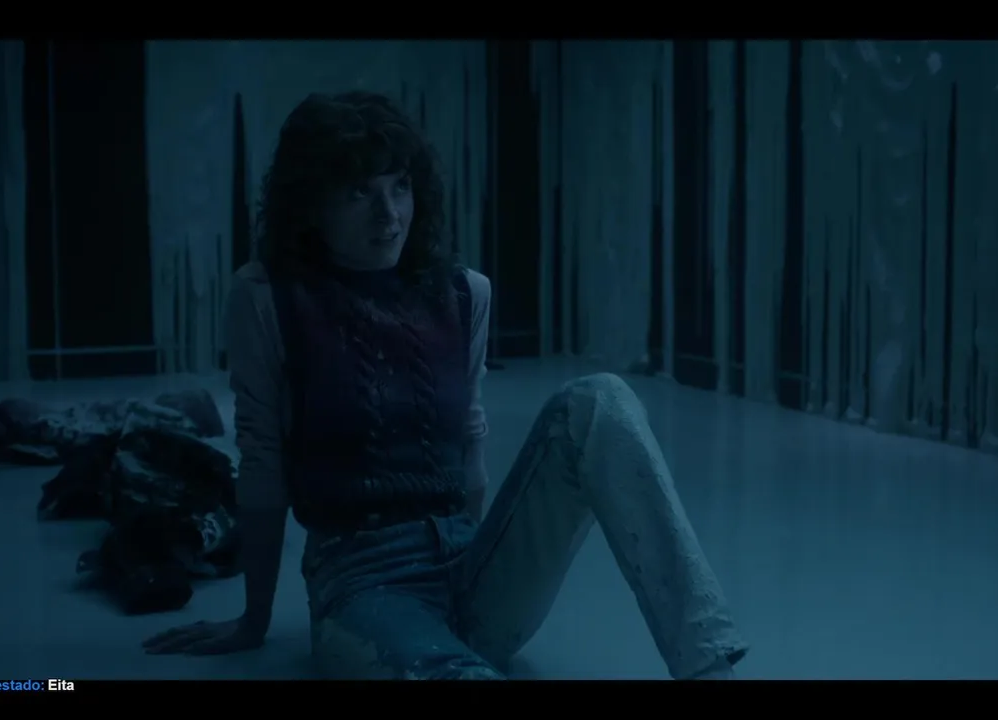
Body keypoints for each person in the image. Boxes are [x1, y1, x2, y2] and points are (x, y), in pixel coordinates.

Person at [142, 91, 747, 679]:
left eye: (400, 187)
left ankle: (708, 666)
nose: (389, 215)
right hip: (362, 584)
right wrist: (254, 620)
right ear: (311, 205)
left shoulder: (463, 292)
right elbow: (262, 461)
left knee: (599, 401)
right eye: (360, 193)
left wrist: (477, 570)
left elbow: (469, 444)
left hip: (470, 565)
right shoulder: (267, 298)